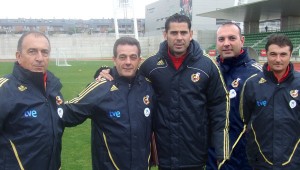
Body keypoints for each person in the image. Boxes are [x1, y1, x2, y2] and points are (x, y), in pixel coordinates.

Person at [97, 13, 230, 169]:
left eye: (183, 32)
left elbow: (220, 105)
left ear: (191, 34)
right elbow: (128, 74)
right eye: (174, 33)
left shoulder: (207, 66)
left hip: (195, 152)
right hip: (163, 151)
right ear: (165, 34)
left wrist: (221, 149)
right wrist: (106, 72)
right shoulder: (151, 65)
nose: (179, 38)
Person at [63, 37, 155, 170]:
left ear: (139, 60)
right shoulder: (101, 87)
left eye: (133, 57)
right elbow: (67, 113)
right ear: (114, 59)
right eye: (122, 57)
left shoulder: (148, 87)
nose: (128, 62)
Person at [0, 31, 64, 169]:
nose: (40, 58)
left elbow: (67, 114)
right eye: (32, 51)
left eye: (44, 52)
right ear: (19, 56)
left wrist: (108, 73)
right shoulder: (4, 90)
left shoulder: (53, 88)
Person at [206, 22, 262, 170]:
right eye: (221, 39)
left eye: (231, 38)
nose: (226, 44)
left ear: (242, 40)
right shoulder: (210, 71)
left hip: (243, 159)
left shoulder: (257, 74)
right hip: (212, 156)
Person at [240, 33, 300, 169]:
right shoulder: (252, 84)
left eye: (283, 54)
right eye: (273, 54)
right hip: (261, 163)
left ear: (290, 55)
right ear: (265, 54)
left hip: (294, 163)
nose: (278, 59)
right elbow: (246, 118)